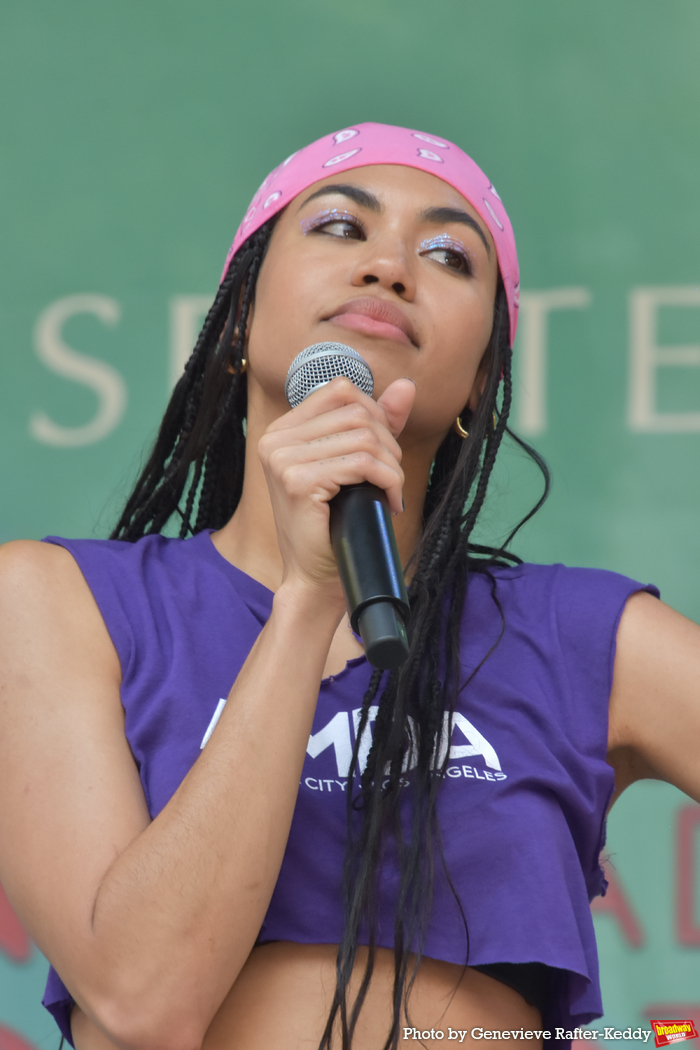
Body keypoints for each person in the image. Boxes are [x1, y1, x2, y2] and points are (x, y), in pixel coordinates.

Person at [0, 123, 698, 1050]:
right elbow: (143, 1001)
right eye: (338, 227)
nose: (390, 267)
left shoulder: (586, 638)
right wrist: (308, 602)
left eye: (450, 254)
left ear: (485, 382)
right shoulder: (58, 602)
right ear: (239, 320)